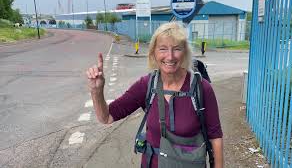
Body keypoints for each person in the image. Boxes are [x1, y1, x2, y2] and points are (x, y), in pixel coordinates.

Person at [86, 22, 223, 168]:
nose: (170, 57)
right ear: (154, 53)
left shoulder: (202, 88)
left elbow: (215, 137)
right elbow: (106, 117)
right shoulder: (147, 85)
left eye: (176, 49)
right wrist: (96, 91)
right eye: (163, 49)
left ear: (185, 53)